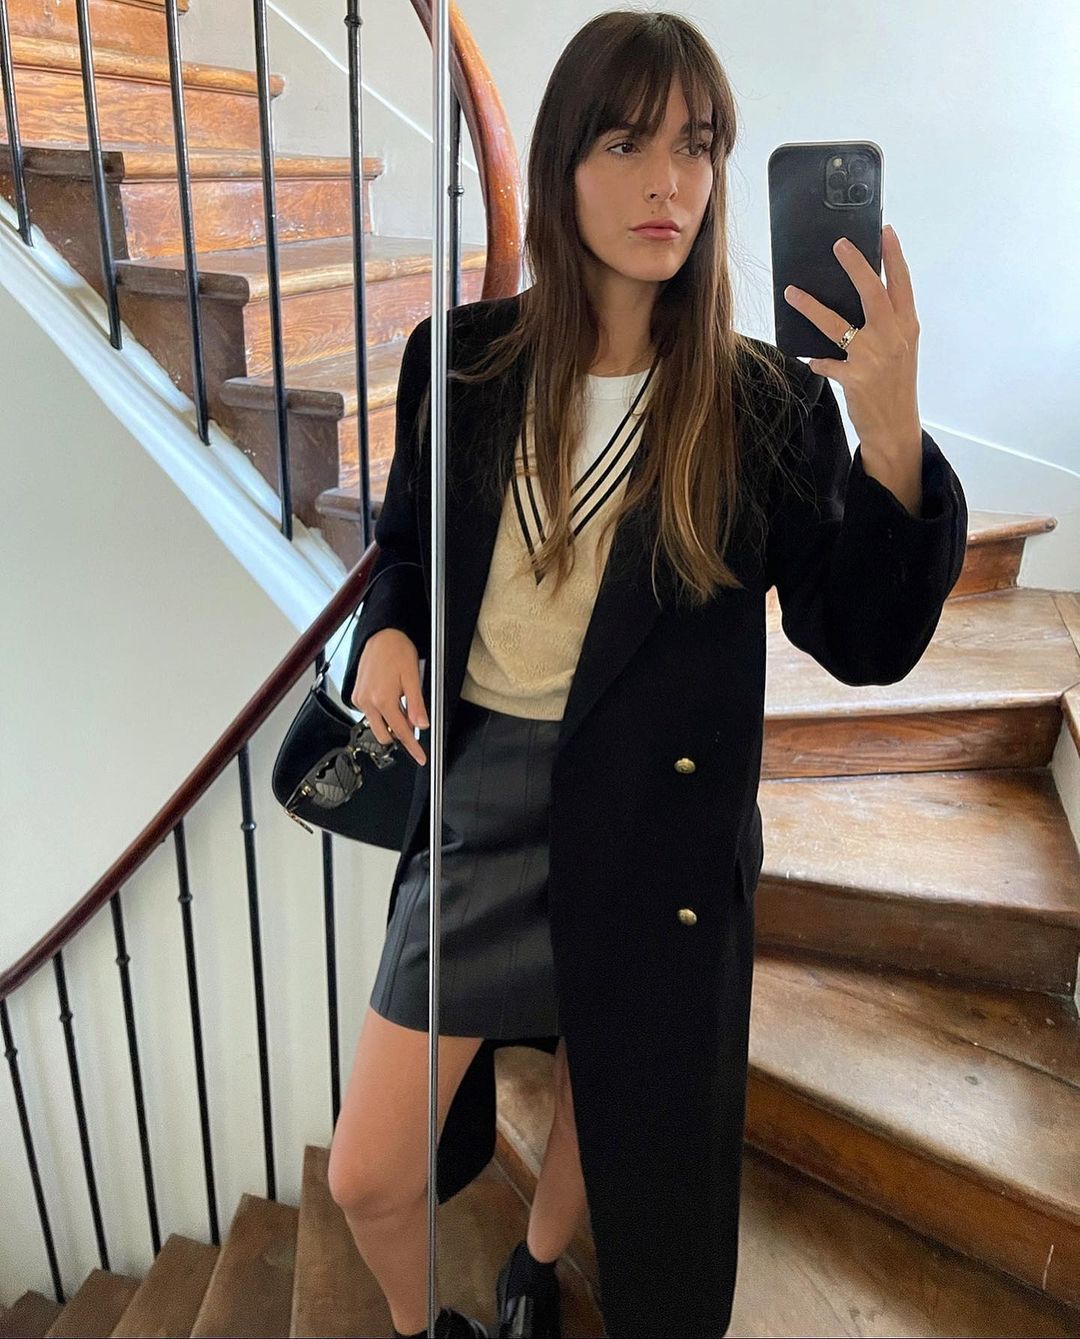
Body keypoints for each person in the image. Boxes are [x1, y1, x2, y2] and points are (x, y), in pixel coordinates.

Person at [326, 10, 968, 1339]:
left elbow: (861, 638)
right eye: (625, 145)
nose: (668, 181)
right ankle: (420, 1326)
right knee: (369, 1172)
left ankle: (534, 1270)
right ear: (561, 164)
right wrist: (385, 632)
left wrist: (893, 433)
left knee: (604, 1089)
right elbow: (407, 550)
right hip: (480, 794)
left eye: (697, 145)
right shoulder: (458, 361)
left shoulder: (763, 404)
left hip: (654, 816)